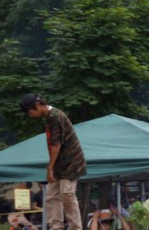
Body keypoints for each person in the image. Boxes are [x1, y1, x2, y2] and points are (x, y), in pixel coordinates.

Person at [20, 94, 86, 230]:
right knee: (51, 196)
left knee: (67, 194)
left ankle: (75, 227)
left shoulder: (55, 116)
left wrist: (49, 169)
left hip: (71, 163)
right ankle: (56, 227)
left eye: (29, 111)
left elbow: (56, 145)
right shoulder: (49, 118)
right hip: (60, 164)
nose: (30, 115)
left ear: (37, 105)